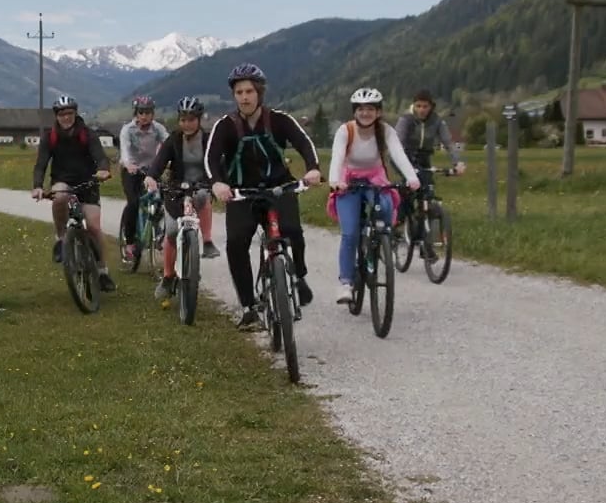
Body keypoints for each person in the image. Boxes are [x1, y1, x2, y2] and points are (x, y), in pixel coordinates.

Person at [205, 63, 323, 331]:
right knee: (236, 243)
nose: (244, 97)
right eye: (239, 92)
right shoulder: (226, 125)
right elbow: (210, 158)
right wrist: (217, 183)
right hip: (241, 194)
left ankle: (300, 276)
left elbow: (304, 143)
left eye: (249, 91)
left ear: (259, 93)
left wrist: (313, 168)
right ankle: (248, 308)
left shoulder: (279, 120)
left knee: (292, 230)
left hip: (278, 188)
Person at [327, 88, 420, 304]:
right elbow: (337, 157)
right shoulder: (346, 131)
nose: (365, 113)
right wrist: (334, 181)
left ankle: (381, 242)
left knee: (387, 207)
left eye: (370, 109)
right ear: (355, 112)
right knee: (349, 233)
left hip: (375, 178)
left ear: (378, 112)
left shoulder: (385, 131)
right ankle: (346, 283)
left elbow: (398, 153)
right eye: (360, 109)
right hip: (348, 180)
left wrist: (411, 177)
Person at [30, 95, 117, 293]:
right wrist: (37, 186)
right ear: (57, 116)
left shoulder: (87, 134)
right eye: (62, 114)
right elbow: (41, 164)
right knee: (59, 197)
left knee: (94, 227)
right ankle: (61, 238)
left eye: (69, 113)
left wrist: (103, 170)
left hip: (88, 183)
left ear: (75, 113)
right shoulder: (50, 137)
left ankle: (102, 271)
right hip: (63, 181)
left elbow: (100, 156)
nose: (66, 117)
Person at [143, 96, 219, 297]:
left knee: (203, 196)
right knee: (171, 231)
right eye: (183, 119)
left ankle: (208, 242)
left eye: (191, 119)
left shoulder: (207, 139)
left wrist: (221, 182)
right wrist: (151, 177)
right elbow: (160, 161)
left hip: (200, 184)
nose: (187, 123)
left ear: (199, 119)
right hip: (176, 188)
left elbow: (218, 163)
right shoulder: (173, 139)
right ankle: (168, 277)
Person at [393, 89, 465, 258]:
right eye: (418, 106)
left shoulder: (437, 122)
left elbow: (448, 143)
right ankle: (397, 221)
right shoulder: (406, 120)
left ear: (431, 106)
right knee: (408, 188)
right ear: (414, 105)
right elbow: (397, 145)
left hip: (424, 159)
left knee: (428, 194)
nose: (421, 110)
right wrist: (408, 168)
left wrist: (457, 163)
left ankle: (425, 243)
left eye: (425, 106)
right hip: (403, 157)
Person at [116, 95, 169, 264]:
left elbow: (169, 144)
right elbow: (124, 150)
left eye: (147, 112)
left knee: (162, 198)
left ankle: (158, 231)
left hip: (152, 170)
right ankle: (130, 242)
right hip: (131, 170)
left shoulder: (158, 129)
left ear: (152, 114)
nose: (144, 116)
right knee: (133, 202)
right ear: (136, 113)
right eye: (141, 112)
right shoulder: (128, 130)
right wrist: (128, 164)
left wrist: (171, 161)